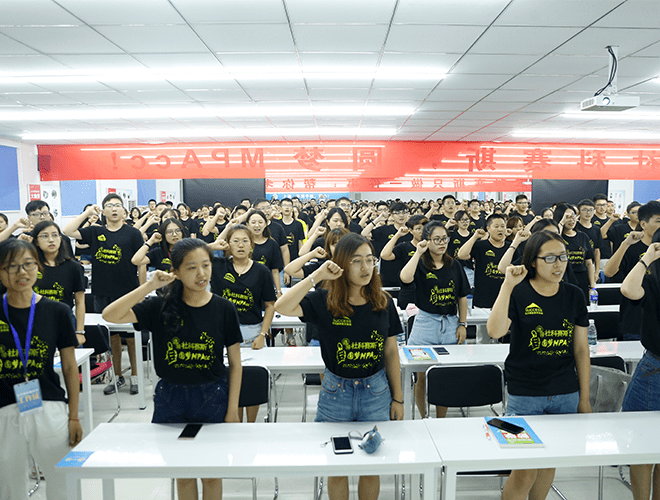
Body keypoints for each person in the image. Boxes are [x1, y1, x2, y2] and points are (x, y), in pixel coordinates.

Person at [102, 238, 242, 500]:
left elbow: (235, 364)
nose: (201, 274)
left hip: (212, 395)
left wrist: (232, 410)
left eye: (206, 265)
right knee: (182, 472)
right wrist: (149, 286)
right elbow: (110, 315)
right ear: (175, 271)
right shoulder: (160, 306)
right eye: (191, 267)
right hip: (171, 397)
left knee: (211, 473)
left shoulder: (224, 308)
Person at [274, 233, 403, 500]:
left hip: (376, 391)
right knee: (337, 466)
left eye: (370, 260)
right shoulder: (324, 300)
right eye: (356, 261)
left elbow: (391, 352)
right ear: (342, 264)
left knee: (371, 466)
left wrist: (398, 398)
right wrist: (317, 275)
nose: (365, 268)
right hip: (336, 393)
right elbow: (282, 306)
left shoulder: (383, 301)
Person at [487, 231, 591, 500]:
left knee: (548, 463)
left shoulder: (574, 295)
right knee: (523, 470)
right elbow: (495, 331)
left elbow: (581, 349)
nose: (559, 265)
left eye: (563, 257)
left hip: (565, 392)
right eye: (550, 258)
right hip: (525, 393)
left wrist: (584, 398)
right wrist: (507, 285)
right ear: (533, 261)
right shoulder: (519, 291)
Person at [0, 238, 83, 499]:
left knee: (64, 480)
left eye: (28, 264)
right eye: (11, 266)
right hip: (4, 408)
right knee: (8, 486)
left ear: (39, 267)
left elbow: (69, 367)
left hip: (48, 405)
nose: (21, 272)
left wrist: (73, 416)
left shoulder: (57, 311)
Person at [63, 194, 145, 395]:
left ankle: (135, 376)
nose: (114, 209)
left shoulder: (133, 233)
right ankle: (117, 377)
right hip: (102, 292)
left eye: (117, 205)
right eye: (109, 205)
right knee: (112, 337)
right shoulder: (95, 231)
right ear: (103, 211)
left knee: (131, 337)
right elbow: (68, 231)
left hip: (127, 292)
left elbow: (142, 262)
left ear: (124, 211)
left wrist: (142, 291)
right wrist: (87, 213)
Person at [400, 221, 469, 418]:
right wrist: (418, 252)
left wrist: (462, 324)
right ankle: (424, 418)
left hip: (450, 323)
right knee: (421, 376)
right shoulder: (420, 263)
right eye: (436, 239)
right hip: (426, 323)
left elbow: (462, 296)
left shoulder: (454, 265)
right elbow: (405, 277)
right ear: (427, 241)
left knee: (445, 376)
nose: (442, 243)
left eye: (444, 239)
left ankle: (440, 419)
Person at [209, 225, 276, 421]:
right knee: (230, 385)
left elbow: (270, 305)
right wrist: (212, 246)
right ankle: (235, 425)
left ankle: (250, 424)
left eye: (245, 241)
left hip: (252, 335)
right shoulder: (218, 266)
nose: (240, 245)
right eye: (235, 241)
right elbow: (185, 254)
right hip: (222, 334)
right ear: (228, 245)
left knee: (251, 385)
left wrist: (262, 335)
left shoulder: (262, 271)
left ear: (252, 245)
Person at [620, 236, 660, 500]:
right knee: (643, 445)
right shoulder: (653, 281)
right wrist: (647, 257)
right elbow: (628, 289)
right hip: (655, 370)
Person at [30, 221, 86, 346]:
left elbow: (80, 302)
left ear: (60, 239)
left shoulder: (73, 267)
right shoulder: (30, 266)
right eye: (45, 236)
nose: (51, 240)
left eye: (55, 235)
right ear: (36, 241)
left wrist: (80, 331)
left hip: (65, 320)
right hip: (35, 321)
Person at [457, 213, 510, 343]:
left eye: (503, 226)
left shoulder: (511, 248)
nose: (500, 229)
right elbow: (462, 255)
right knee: (483, 337)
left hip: (505, 299)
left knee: (504, 337)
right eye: (496, 226)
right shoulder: (481, 246)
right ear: (488, 228)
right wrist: (475, 236)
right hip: (483, 299)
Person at [554, 203, 595, 302]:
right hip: (563, 279)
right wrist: (562, 222)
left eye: (573, 216)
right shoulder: (558, 237)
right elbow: (554, 241)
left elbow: (589, 263)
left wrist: (592, 287)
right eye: (567, 217)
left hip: (581, 279)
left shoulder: (583, 236)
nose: (571, 220)